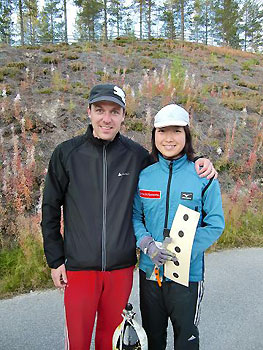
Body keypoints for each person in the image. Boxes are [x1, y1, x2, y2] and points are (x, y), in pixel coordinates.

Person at [41, 84, 217, 350]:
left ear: (124, 115)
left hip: (120, 270)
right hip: (79, 268)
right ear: (89, 111)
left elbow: (171, 163)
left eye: (114, 111)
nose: (106, 118)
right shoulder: (66, 153)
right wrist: (55, 260)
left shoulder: (136, 157)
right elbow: (50, 210)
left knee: (110, 342)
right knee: (77, 343)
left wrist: (200, 161)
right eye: (100, 110)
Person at [133, 104, 225, 350]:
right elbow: (134, 217)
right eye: (162, 131)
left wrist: (183, 250)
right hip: (150, 273)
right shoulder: (144, 176)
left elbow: (215, 223)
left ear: (187, 135)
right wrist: (146, 244)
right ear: (154, 135)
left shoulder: (202, 176)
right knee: (153, 339)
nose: (169, 138)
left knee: (186, 340)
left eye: (176, 131)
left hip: (188, 276)